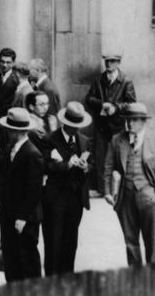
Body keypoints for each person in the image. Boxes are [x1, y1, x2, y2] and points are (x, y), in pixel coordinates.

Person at [104, 103, 155, 265]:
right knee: (130, 241)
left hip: (149, 196)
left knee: (151, 241)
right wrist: (107, 191)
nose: (130, 124)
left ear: (143, 121)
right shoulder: (117, 140)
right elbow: (108, 167)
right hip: (125, 197)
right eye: (128, 120)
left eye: (134, 120)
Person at [42, 102, 93, 276]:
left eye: (78, 126)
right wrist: (67, 165)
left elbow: (94, 167)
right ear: (65, 123)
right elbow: (43, 166)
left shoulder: (84, 141)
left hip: (76, 198)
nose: (75, 130)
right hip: (55, 198)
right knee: (53, 241)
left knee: (71, 242)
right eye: (72, 126)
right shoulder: (49, 139)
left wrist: (86, 167)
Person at [0, 107, 44, 282]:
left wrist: (22, 217)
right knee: (11, 260)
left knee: (28, 261)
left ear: (13, 130)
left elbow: (34, 189)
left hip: (25, 218)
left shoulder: (32, 154)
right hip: (9, 214)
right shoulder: (12, 148)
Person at [85, 54, 137, 195]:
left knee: (119, 156)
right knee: (101, 157)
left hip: (118, 124)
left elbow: (132, 103)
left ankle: (120, 188)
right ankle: (103, 190)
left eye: (112, 61)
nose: (109, 64)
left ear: (119, 62)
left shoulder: (126, 81)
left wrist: (116, 107)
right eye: (107, 61)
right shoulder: (99, 79)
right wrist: (102, 104)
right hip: (101, 124)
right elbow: (89, 98)